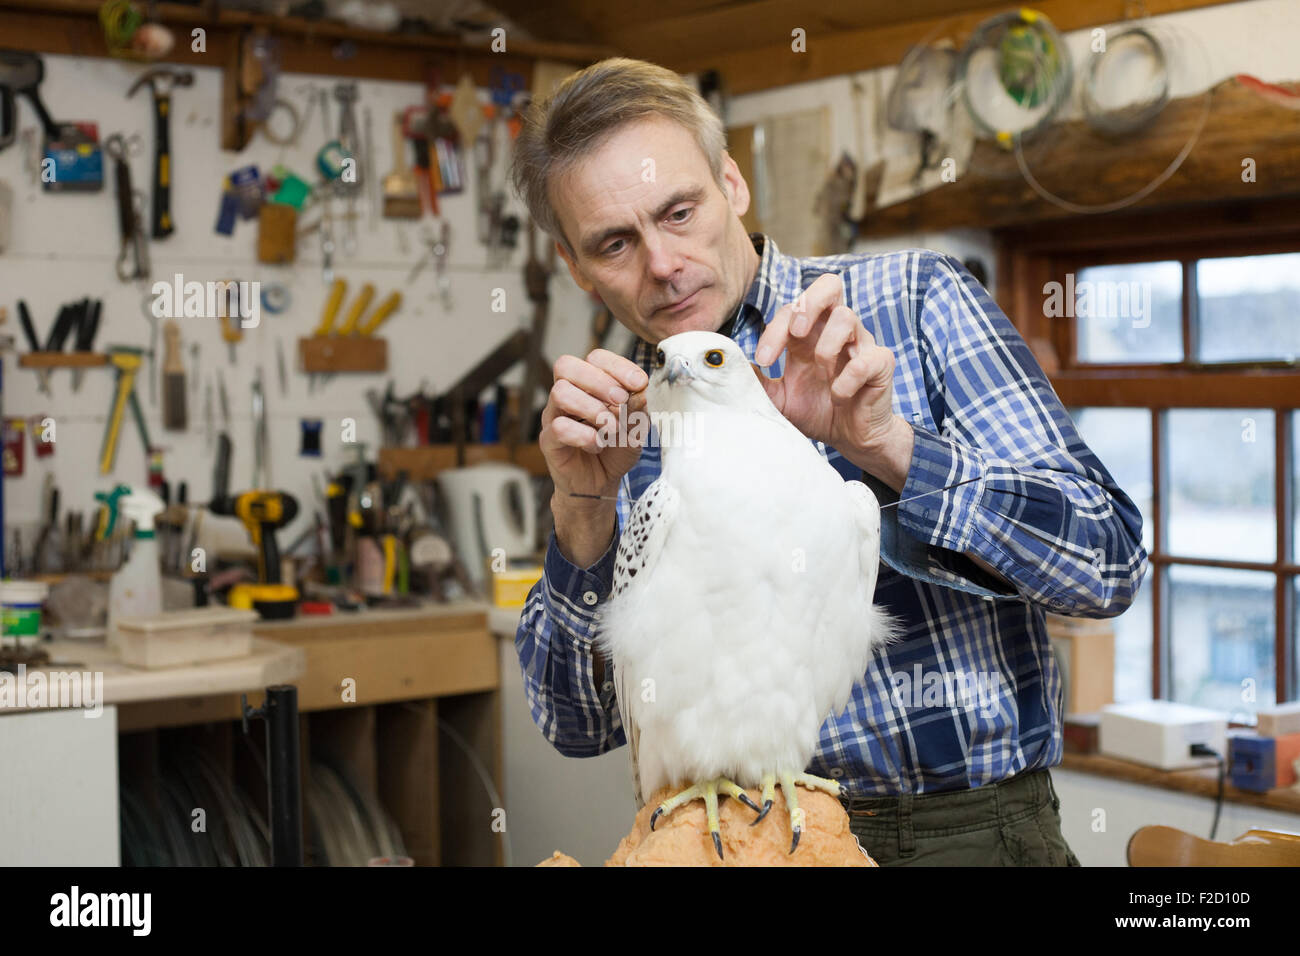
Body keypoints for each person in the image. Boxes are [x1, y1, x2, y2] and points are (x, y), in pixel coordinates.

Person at [508, 57, 1147, 866]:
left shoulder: (915, 301)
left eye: (678, 211)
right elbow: (577, 724)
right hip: (744, 839)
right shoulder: (613, 418)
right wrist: (581, 514)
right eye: (613, 242)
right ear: (575, 266)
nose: (662, 264)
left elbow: (1108, 564)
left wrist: (887, 445)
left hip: (969, 836)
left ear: (731, 185)